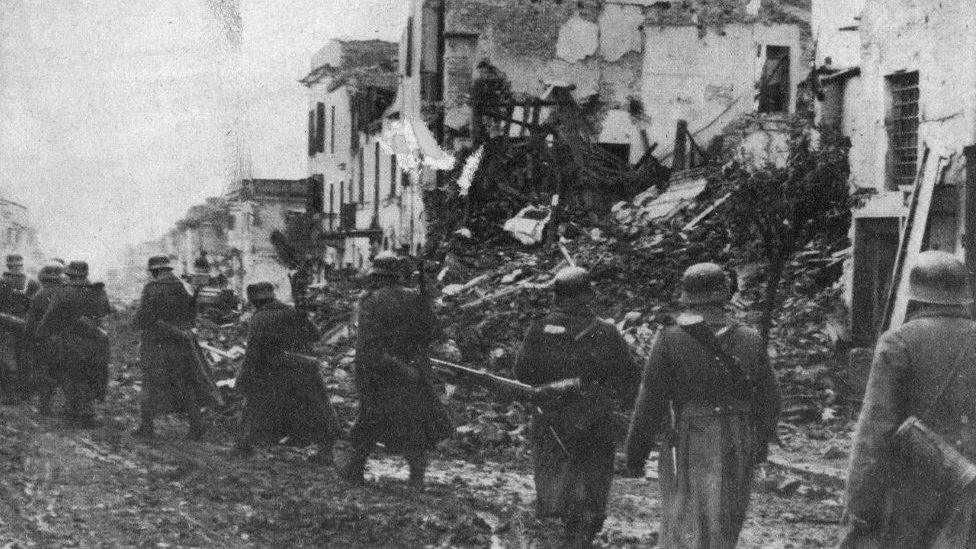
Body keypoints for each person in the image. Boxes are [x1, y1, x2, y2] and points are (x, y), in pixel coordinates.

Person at [625, 262, 780, 549]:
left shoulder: (670, 337)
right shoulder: (749, 337)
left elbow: (650, 400)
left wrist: (635, 455)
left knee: (685, 519)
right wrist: (759, 444)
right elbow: (770, 398)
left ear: (687, 296)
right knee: (727, 519)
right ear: (725, 295)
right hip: (738, 437)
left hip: (693, 435)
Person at [843, 251, 976, 547]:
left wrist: (857, 504)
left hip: (915, 491)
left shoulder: (898, 342)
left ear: (915, 294)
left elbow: (874, 433)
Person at [513, 266, 639, 548]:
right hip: (595, 420)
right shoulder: (606, 332)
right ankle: (584, 533)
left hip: (551, 418)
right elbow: (630, 379)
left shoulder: (540, 326)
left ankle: (556, 530)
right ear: (588, 294)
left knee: (553, 479)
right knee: (593, 480)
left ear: (557, 295)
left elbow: (521, 372)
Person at [341, 250, 451, 490]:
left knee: (370, 421)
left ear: (377, 276)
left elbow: (367, 344)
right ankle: (416, 479)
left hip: (382, 373)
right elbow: (434, 333)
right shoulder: (415, 297)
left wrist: (363, 376)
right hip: (414, 370)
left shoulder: (370, 300)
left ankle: (355, 469)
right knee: (415, 425)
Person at [235, 282, 341, 462]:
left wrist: (243, 376)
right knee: (317, 410)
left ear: (254, 301)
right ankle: (326, 452)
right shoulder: (292, 312)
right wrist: (302, 319)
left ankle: (244, 445)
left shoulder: (259, 318)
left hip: (275, 371)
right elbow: (315, 336)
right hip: (304, 368)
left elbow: (253, 353)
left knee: (254, 406)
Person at [132, 255, 209, 439]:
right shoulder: (184, 286)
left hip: (156, 344)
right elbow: (192, 314)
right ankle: (196, 427)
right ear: (168, 269)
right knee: (185, 384)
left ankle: (147, 426)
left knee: (149, 384)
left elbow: (142, 318)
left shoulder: (151, 288)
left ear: (155, 271)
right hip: (181, 343)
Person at [29, 261, 111, 425]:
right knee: (89, 375)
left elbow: (50, 317)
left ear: (70, 275)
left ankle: (74, 413)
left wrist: (39, 334)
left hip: (71, 341)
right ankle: (88, 412)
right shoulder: (98, 290)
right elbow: (106, 310)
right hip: (95, 340)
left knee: (71, 376)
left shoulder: (64, 291)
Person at [26, 262, 66, 414]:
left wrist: (28, 339)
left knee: (44, 372)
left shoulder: (39, 295)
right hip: (65, 340)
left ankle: (44, 406)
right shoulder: (65, 294)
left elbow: (31, 322)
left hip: (44, 341)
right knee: (61, 372)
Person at [0, 254, 39, 402]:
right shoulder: (32, 282)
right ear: (22, 264)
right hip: (26, 326)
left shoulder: (1, 282)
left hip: (5, 326)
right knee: (26, 358)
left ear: (8, 265)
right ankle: (25, 393)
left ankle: (9, 395)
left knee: (7, 358)